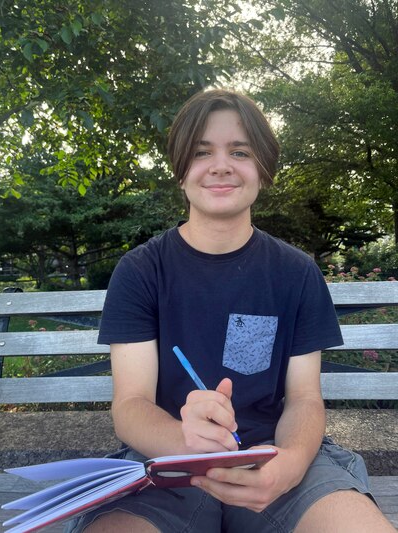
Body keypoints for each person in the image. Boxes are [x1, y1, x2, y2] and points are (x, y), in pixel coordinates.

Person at [66, 89, 395, 532]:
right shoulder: (142, 270)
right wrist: (184, 438)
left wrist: (292, 464)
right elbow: (131, 404)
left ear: (263, 169)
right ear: (181, 172)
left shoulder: (296, 272)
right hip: (165, 461)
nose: (220, 165)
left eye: (239, 151)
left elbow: (303, 398)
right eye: (202, 152)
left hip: (272, 456)